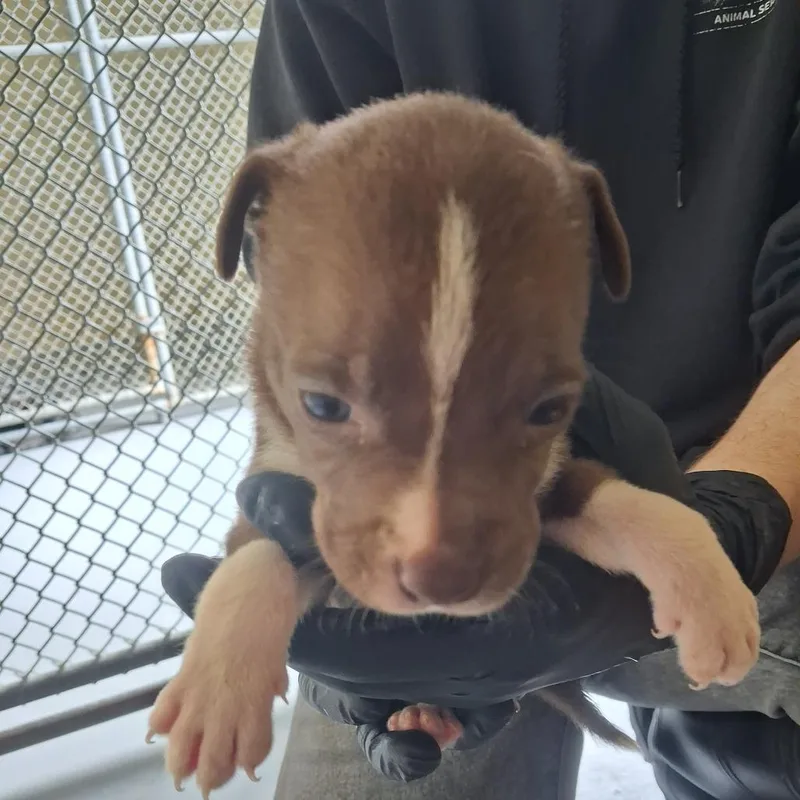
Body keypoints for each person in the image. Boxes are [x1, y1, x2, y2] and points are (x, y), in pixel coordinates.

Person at [162, 1, 800, 797]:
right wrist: (251, 599)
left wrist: (728, 521)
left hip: (762, 449)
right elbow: (316, 342)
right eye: (330, 406)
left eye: (538, 408)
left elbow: (577, 494)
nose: (433, 555)